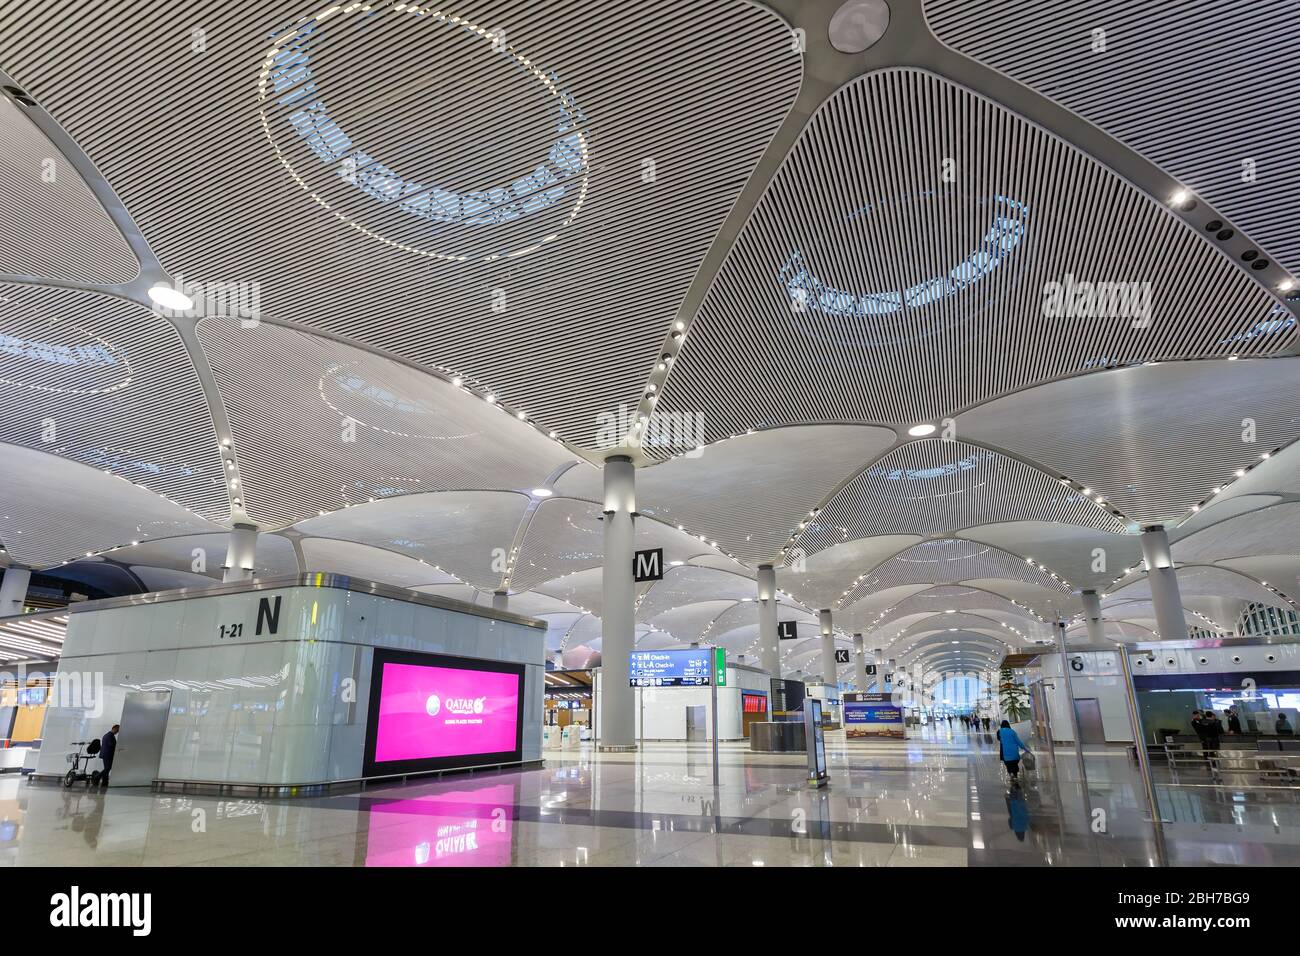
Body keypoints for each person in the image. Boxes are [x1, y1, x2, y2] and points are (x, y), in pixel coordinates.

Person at [996, 719, 1031, 784]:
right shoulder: (1012, 732)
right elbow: (1019, 742)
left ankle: (1011, 774)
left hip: (1005, 754)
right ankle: (1015, 776)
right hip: (1014, 753)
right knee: (1014, 764)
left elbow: (999, 739)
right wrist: (1026, 749)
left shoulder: (999, 732)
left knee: (1008, 764)